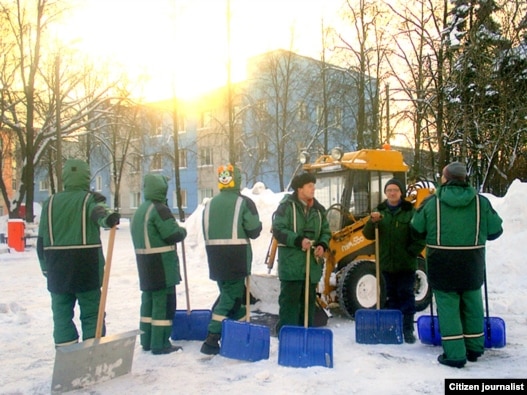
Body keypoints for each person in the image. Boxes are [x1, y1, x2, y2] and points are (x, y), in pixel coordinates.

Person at [411, 162, 503, 368]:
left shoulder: (431, 202)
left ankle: (454, 355)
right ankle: (474, 348)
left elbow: (416, 229)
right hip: (472, 261)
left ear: (446, 178)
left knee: (448, 307)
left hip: (442, 262)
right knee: (472, 304)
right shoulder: (481, 203)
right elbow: (496, 231)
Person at [37, 159, 120, 348]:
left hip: (56, 266)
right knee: (92, 312)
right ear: (86, 176)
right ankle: (92, 353)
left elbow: (41, 240)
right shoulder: (89, 199)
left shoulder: (49, 203)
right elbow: (99, 213)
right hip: (85, 265)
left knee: (61, 314)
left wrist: (45, 268)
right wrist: (109, 219)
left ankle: (67, 355)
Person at [200, 164, 262, 355]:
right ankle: (211, 339)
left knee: (231, 297)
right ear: (237, 179)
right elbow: (253, 230)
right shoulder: (243, 202)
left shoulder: (209, 203)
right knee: (229, 298)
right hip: (235, 256)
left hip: (215, 257)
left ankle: (236, 332)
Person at [362, 178, 426, 343]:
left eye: (395, 190)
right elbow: (368, 234)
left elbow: (420, 235)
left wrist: (411, 252)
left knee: (406, 295)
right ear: (385, 193)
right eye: (389, 190)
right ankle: (392, 327)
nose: (392, 193)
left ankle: (407, 329)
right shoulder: (379, 211)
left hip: (405, 264)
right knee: (389, 297)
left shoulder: (410, 211)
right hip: (386, 264)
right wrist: (372, 222)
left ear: (401, 193)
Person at [130, 173, 187, 355]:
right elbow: (172, 234)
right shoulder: (159, 209)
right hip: (161, 264)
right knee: (163, 303)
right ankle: (160, 343)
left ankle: (146, 340)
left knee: (148, 302)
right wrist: (182, 231)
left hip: (144, 263)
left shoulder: (140, 210)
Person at [272, 172, 331, 335]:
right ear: (300, 188)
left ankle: (306, 336)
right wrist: (298, 240)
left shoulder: (319, 211)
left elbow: (326, 231)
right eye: (310, 186)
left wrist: (322, 244)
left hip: (311, 267)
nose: (313, 189)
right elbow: (278, 230)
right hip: (292, 266)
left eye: (314, 185)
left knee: (308, 304)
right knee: (290, 303)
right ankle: (288, 336)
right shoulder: (286, 207)